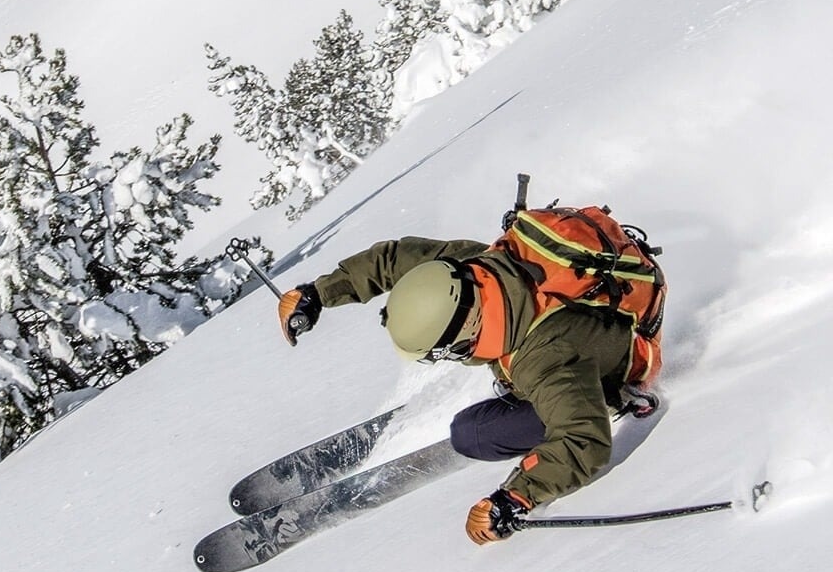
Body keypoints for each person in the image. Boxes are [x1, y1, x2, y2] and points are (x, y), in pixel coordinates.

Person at [277, 209, 664, 546]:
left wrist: (514, 497)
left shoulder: (544, 361)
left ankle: (613, 398)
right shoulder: (472, 268)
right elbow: (394, 261)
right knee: (506, 401)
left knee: (472, 434)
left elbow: (584, 440)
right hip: (579, 324)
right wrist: (319, 294)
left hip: (608, 362)